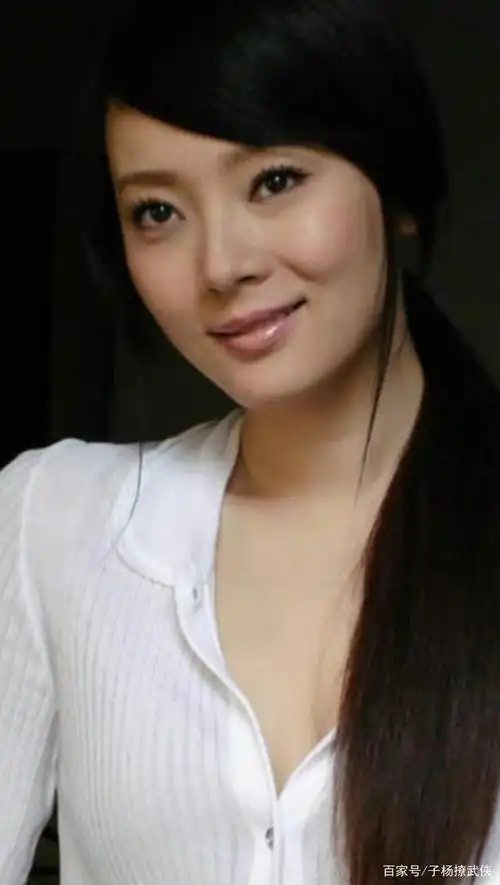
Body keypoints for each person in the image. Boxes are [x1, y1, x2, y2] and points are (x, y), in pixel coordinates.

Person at [1, 0, 500, 883]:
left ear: (396, 187)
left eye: (273, 181)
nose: (221, 264)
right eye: (158, 210)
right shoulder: (55, 523)